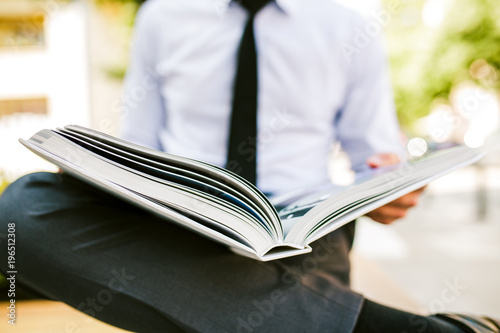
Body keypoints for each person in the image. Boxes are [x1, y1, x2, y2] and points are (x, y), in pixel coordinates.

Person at [0, 0, 498, 332]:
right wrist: (98, 175)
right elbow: (138, 142)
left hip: (303, 237)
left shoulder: (347, 24)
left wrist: (390, 189)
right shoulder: (163, 15)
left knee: (253, 294)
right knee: (22, 208)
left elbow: (375, 154)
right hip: (179, 229)